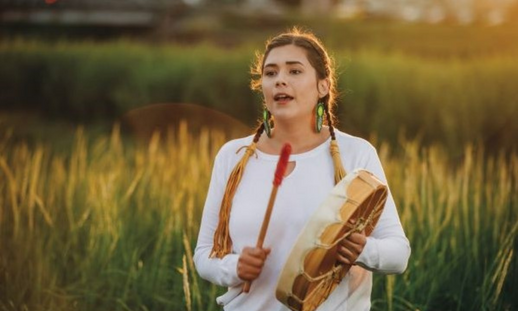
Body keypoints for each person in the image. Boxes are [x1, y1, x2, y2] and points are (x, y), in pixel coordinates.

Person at [194, 27, 410, 311]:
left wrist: (364, 250)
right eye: (270, 74)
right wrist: (234, 268)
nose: (280, 80)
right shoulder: (232, 157)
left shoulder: (355, 154)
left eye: (294, 71)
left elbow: (399, 254)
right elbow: (204, 255)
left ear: (323, 85)